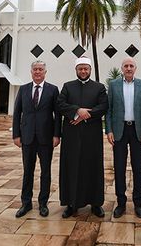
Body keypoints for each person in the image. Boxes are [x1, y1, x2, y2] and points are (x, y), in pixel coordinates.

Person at [57, 56, 109, 218]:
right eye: (81, 69)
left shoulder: (99, 87)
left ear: (90, 70)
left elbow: (104, 106)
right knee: (71, 167)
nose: (83, 71)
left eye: (86, 68)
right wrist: (77, 111)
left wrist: (85, 115)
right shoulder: (67, 86)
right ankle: (71, 204)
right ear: (76, 70)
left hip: (91, 136)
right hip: (72, 136)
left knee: (93, 167)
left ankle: (95, 204)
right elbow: (60, 104)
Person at [12, 60, 61, 218]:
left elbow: (58, 115)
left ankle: (43, 204)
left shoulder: (53, 90)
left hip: (46, 138)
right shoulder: (23, 89)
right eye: (35, 69)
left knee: (45, 172)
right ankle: (26, 203)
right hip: (27, 138)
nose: (38, 72)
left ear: (45, 72)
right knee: (28, 171)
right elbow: (17, 112)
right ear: (31, 72)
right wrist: (16, 135)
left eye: (40, 69)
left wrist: (56, 135)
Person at [106, 57, 141, 219]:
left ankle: (138, 203)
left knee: (138, 168)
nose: (128, 68)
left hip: (137, 132)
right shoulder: (113, 85)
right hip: (119, 131)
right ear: (122, 68)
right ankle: (121, 203)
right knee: (119, 168)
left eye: (131, 66)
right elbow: (109, 110)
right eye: (126, 66)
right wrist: (109, 130)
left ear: (135, 68)